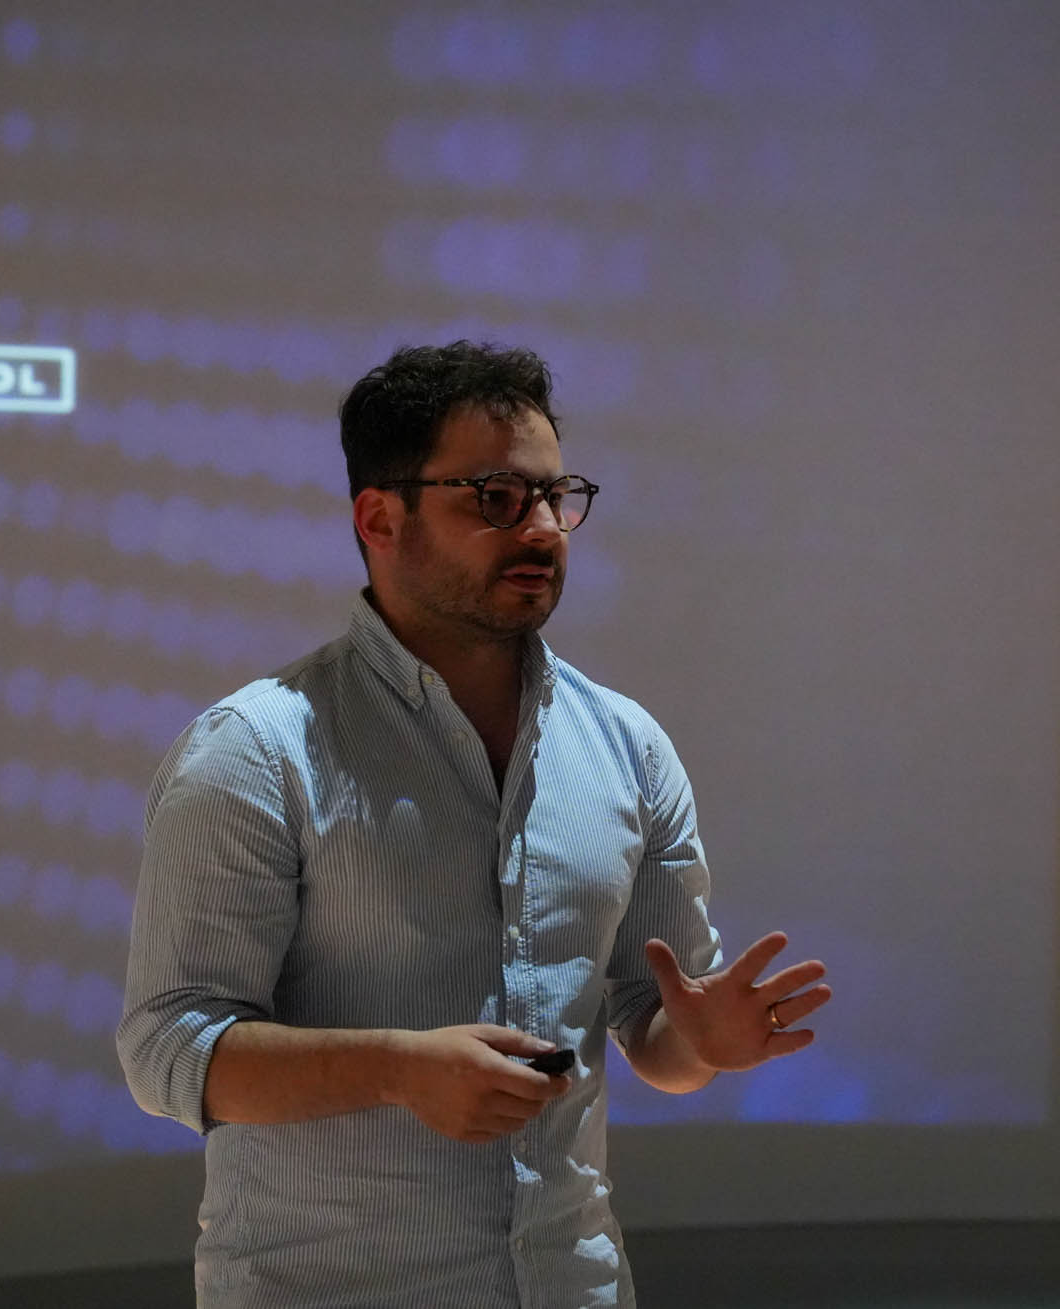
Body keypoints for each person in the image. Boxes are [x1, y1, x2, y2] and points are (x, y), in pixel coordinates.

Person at [117, 341, 831, 1308]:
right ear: (380, 518)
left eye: (555, 496)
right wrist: (396, 1070)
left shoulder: (626, 746)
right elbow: (169, 1048)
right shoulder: (255, 749)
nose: (541, 529)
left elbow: (653, 1030)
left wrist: (701, 1042)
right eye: (494, 498)